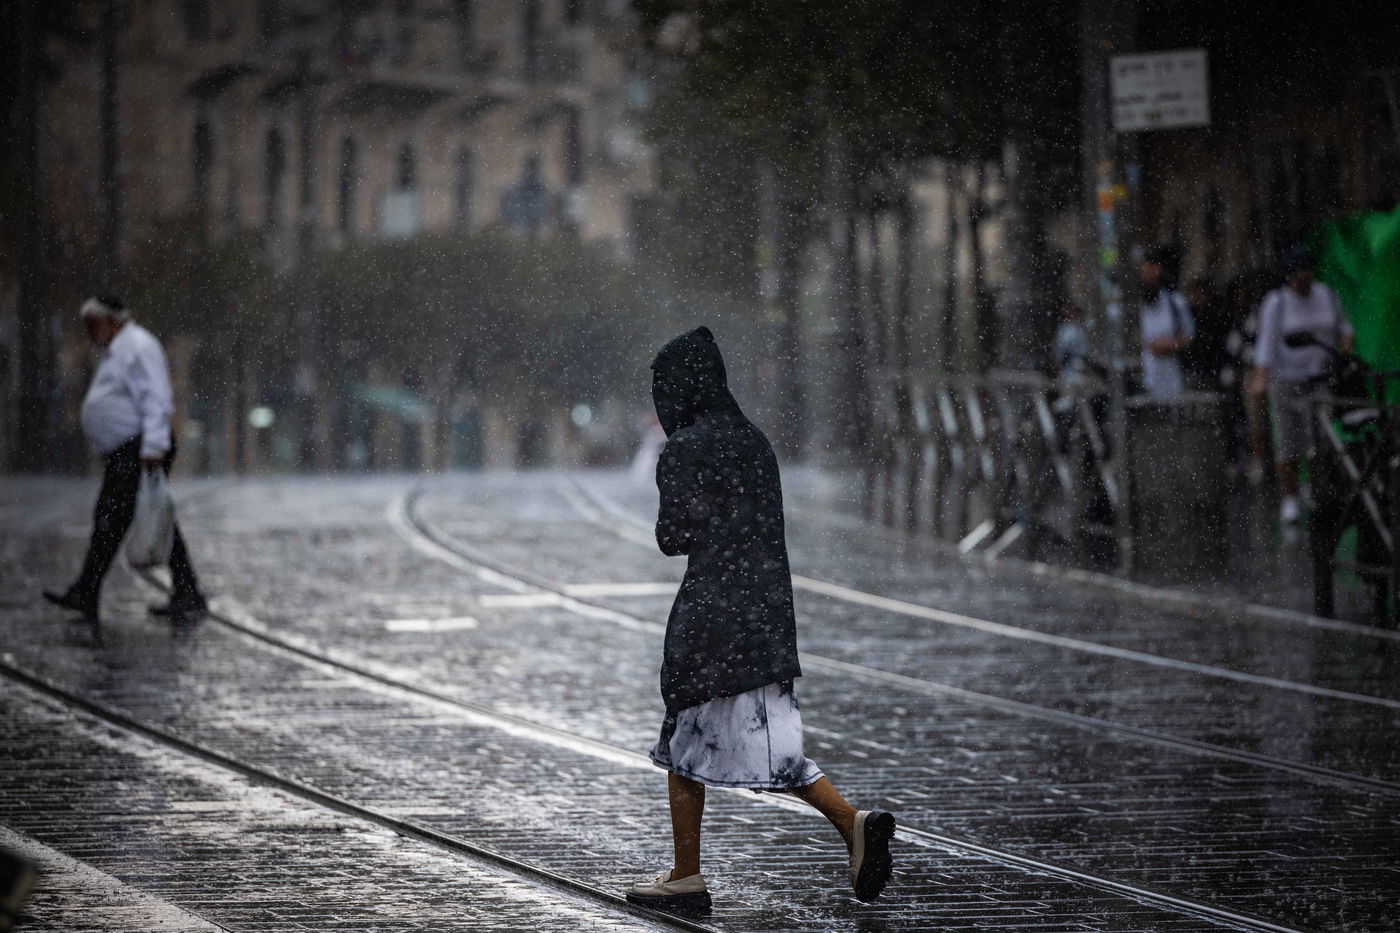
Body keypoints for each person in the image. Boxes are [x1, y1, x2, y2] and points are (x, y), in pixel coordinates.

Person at [628, 326, 895, 915]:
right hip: (768, 614)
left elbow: (674, 537)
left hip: (712, 613)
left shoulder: (686, 447)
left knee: (682, 735)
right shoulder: (753, 440)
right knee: (776, 745)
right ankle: (853, 823)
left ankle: (685, 875)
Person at [43, 295, 207, 624]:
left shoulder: (138, 347)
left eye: (94, 324)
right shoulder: (117, 351)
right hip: (128, 449)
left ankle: (90, 590)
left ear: (112, 320)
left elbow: (157, 397)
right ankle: (183, 590)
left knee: (118, 517)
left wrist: (153, 447)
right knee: (138, 516)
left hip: (140, 449)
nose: (90, 332)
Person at [1249, 246, 1355, 524]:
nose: (1303, 279)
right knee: (1287, 442)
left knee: (1321, 439)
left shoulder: (1327, 296)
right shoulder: (1277, 303)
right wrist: (1261, 378)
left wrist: (1344, 354)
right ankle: (1290, 497)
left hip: (1320, 380)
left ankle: (1318, 487)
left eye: (1307, 272)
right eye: (1298, 275)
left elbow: (1344, 329)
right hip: (1287, 380)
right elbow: (1266, 345)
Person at [1136, 248, 1195, 398]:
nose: (1146, 276)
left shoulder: (1175, 303)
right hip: (1146, 376)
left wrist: (1170, 346)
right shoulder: (1138, 305)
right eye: (1144, 271)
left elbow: (1189, 337)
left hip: (1172, 377)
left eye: (1151, 270)